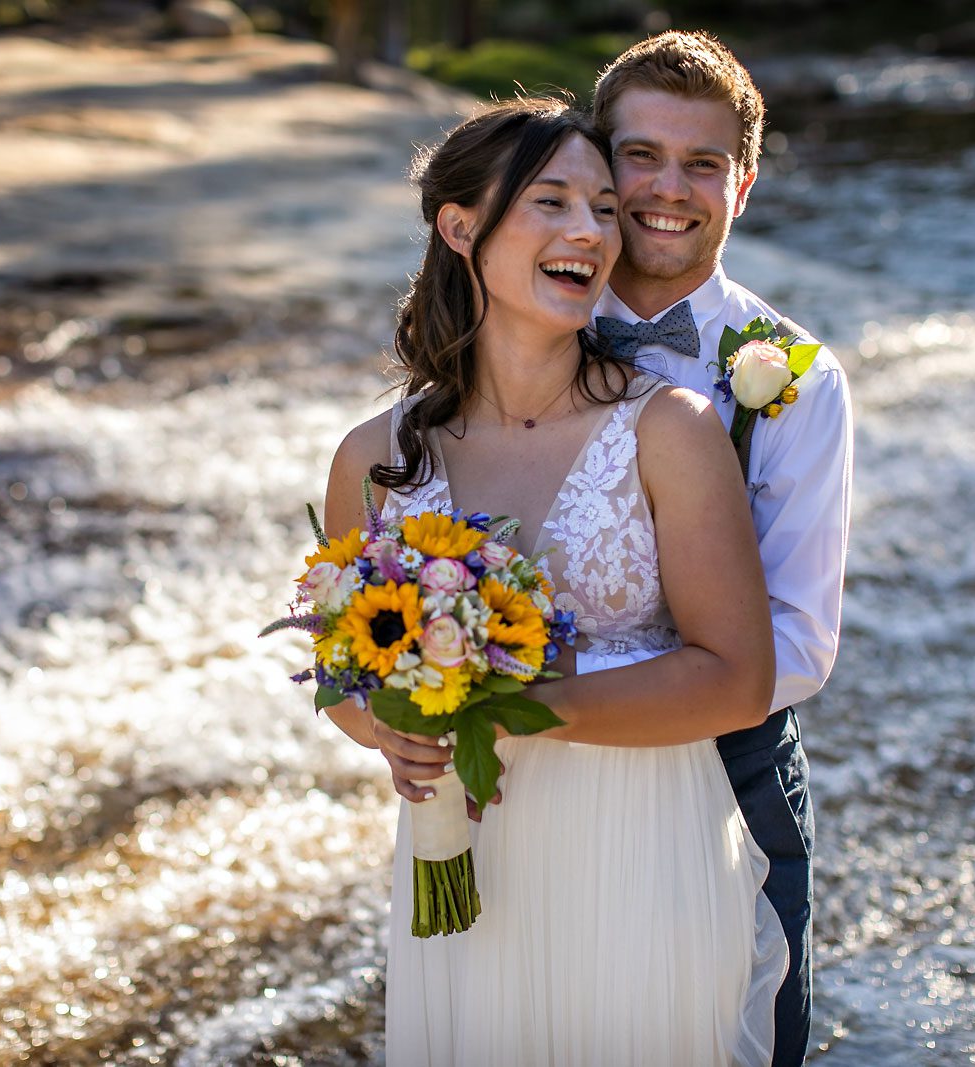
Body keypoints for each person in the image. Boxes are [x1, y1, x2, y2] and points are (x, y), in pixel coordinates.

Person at [320, 97, 788, 1064]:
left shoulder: (674, 430)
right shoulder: (378, 457)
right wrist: (386, 730)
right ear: (460, 227)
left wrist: (513, 705)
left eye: (605, 208)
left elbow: (737, 677)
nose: (590, 232)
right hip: (463, 851)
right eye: (553, 202)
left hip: (639, 849)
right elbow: (343, 669)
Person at [585, 31, 855, 1066]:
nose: (667, 187)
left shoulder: (793, 374)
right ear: (595, 163)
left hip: (727, 775)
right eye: (639, 155)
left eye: (702, 163)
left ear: (741, 184)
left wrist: (605, 712)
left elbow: (799, 640)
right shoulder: (519, 332)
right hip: (536, 771)